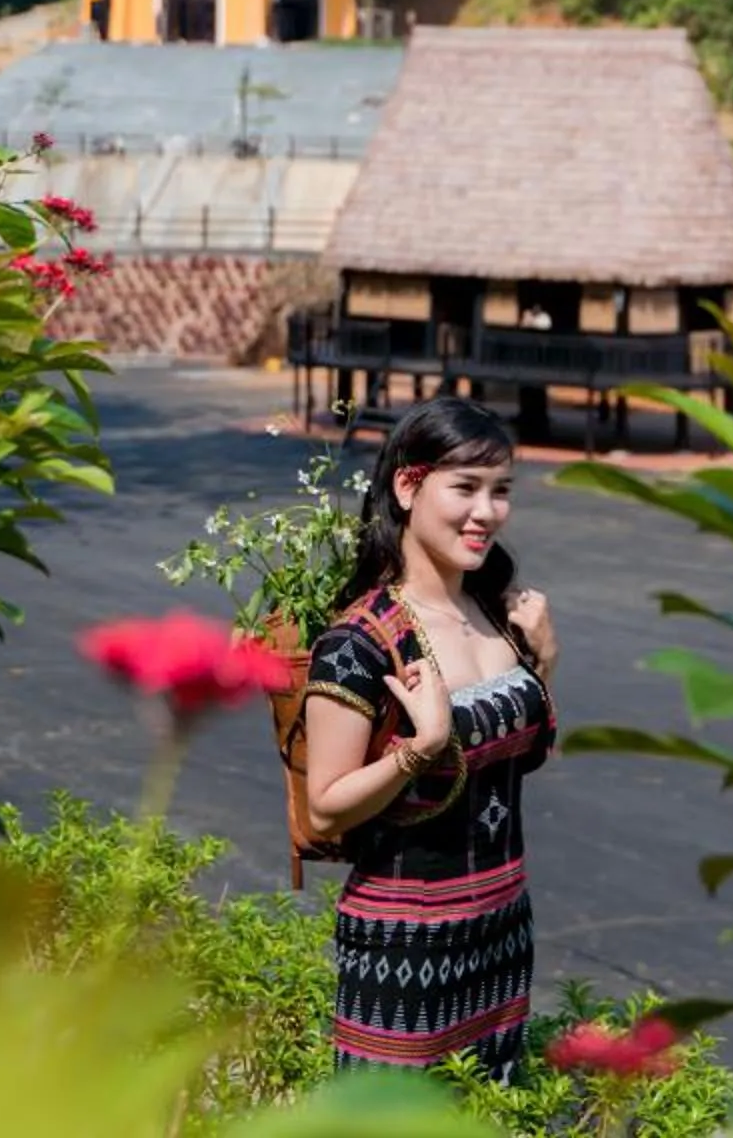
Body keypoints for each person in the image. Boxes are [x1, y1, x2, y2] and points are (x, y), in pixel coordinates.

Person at [299, 397, 558, 1077]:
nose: (487, 512)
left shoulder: (495, 612)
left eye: (501, 490)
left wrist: (544, 664)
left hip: (501, 932)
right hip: (404, 945)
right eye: (466, 488)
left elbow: (522, 757)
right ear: (407, 486)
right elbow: (325, 805)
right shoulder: (361, 643)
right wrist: (420, 746)